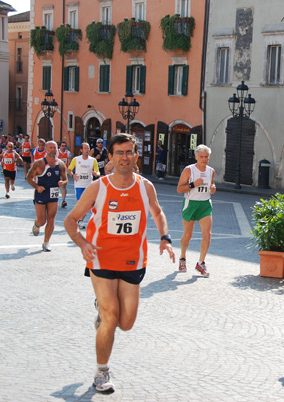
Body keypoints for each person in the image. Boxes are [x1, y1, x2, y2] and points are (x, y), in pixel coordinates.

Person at [63, 133, 175, 393]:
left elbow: (157, 212)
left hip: (133, 261)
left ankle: (102, 315)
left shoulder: (145, 187)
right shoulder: (98, 188)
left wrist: (165, 237)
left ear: (136, 155)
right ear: (110, 158)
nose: (125, 157)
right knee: (111, 315)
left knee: (126, 323)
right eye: (119, 153)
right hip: (101, 259)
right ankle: (102, 371)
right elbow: (71, 220)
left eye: (129, 152)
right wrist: (83, 244)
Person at [177, 144, 216, 277]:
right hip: (191, 204)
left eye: (206, 157)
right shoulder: (189, 170)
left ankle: (201, 263)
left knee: (207, 235)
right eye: (201, 157)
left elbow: (212, 185)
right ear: (196, 157)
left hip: (205, 204)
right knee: (187, 235)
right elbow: (179, 189)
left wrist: (213, 188)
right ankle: (182, 258)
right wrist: (193, 184)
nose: (204, 159)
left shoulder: (211, 171)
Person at [26, 141, 67, 251]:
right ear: (46, 149)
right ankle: (37, 223)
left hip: (53, 194)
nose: (53, 149)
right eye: (50, 147)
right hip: (41, 193)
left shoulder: (60, 164)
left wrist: (63, 183)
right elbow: (28, 177)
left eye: (55, 147)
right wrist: (36, 187)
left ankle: (46, 242)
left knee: (51, 218)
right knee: (42, 220)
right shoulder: (39, 164)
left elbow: (65, 179)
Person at [68, 143, 100, 228]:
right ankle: (77, 219)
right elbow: (69, 169)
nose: (87, 150)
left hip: (89, 185)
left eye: (88, 148)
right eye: (85, 148)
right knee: (80, 203)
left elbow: (98, 172)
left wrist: (96, 173)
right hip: (79, 185)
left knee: (87, 204)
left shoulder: (93, 160)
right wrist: (73, 175)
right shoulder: (76, 159)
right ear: (81, 150)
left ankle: (80, 221)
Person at [56, 141, 72, 208]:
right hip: (57, 171)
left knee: (64, 186)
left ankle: (63, 200)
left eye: (65, 146)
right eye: (62, 146)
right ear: (60, 146)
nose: (64, 147)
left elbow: (70, 161)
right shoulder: (57, 152)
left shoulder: (68, 153)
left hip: (64, 171)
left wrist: (69, 169)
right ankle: (54, 200)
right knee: (56, 186)